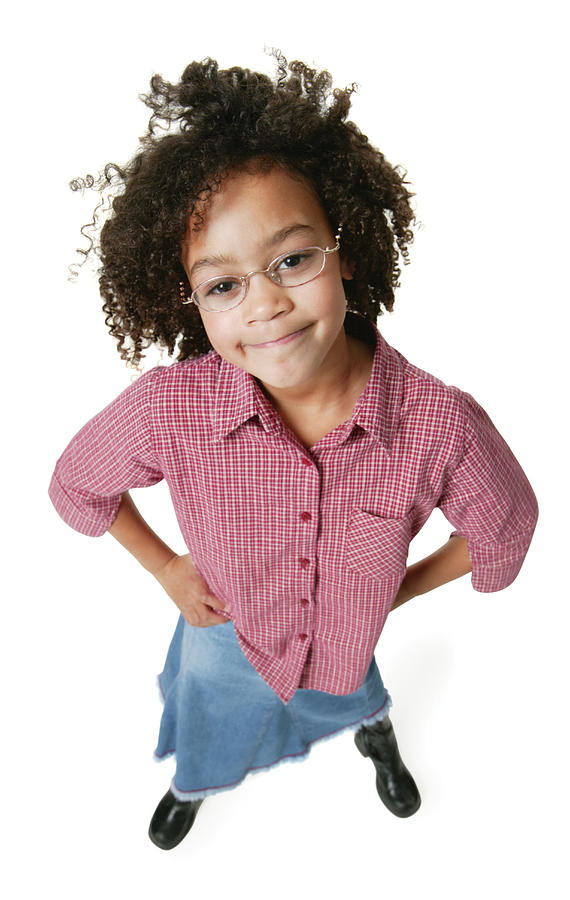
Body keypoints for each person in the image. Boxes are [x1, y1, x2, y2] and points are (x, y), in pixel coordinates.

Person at [48, 53, 539, 851]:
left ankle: (374, 733)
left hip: (344, 643)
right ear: (191, 299)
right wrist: (168, 568)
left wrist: (398, 593)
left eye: (292, 259)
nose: (267, 303)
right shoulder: (169, 409)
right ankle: (194, 782)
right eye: (223, 284)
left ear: (346, 245)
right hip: (223, 638)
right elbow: (77, 487)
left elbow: (504, 532)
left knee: (354, 689)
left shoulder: (438, 426)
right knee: (212, 717)